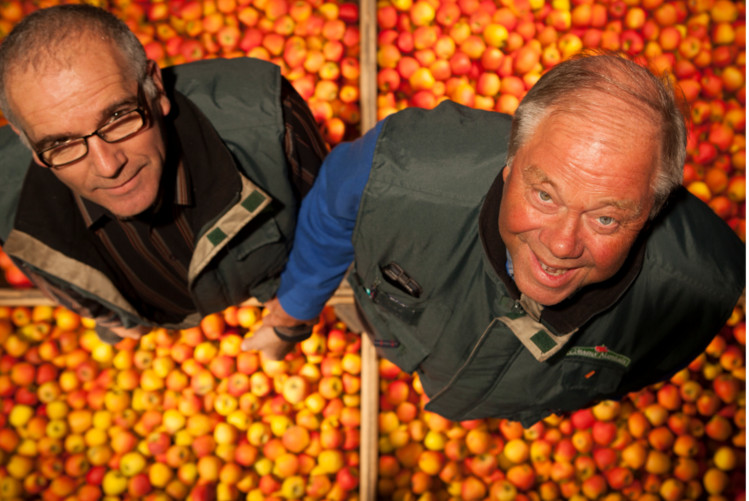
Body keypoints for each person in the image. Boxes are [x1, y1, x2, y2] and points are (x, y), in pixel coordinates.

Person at [244, 52, 746, 426]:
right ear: (509, 165)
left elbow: (640, 368)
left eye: (607, 220)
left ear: (652, 212)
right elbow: (333, 205)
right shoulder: (398, 173)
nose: (562, 244)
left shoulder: (695, 292)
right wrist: (293, 310)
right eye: (546, 195)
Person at [0, 4, 327, 344]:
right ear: (30, 147)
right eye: (61, 144)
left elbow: (331, 226)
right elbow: (71, 289)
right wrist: (117, 320)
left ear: (155, 87)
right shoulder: (10, 208)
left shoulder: (270, 117)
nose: (108, 167)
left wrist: (295, 308)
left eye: (118, 117)